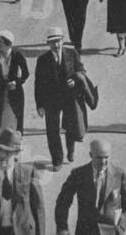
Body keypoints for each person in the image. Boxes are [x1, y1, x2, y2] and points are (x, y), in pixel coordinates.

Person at [34, 27, 89, 171]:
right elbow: (38, 84)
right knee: (52, 130)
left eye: (58, 41)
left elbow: (81, 70)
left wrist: (75, 80)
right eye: (53, 42)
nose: (56, 45)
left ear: (63, 40)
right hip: (51, 100)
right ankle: (57, 159)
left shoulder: (71, 53)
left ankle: (70, 150)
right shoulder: (42, 60)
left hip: (69, 97)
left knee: (70, 126)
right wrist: (40, 105)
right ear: (48, 43)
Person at [55, 139, 126, 235]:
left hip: (111, 231)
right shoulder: (78, 174)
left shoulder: (119, 174)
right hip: (85, 230)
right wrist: (62, 228)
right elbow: (63, 201)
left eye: (106, 157)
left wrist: (121, 226)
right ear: (91, 155)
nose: (103, 162)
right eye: (99, 158)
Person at [0, 31, 29, 141]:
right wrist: (3, 83)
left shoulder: (17, 55)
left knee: (12, 120)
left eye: (1, 42)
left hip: (15, 93)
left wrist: (16, 82)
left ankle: (12, 144)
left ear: (8, 43)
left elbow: (25, 73)